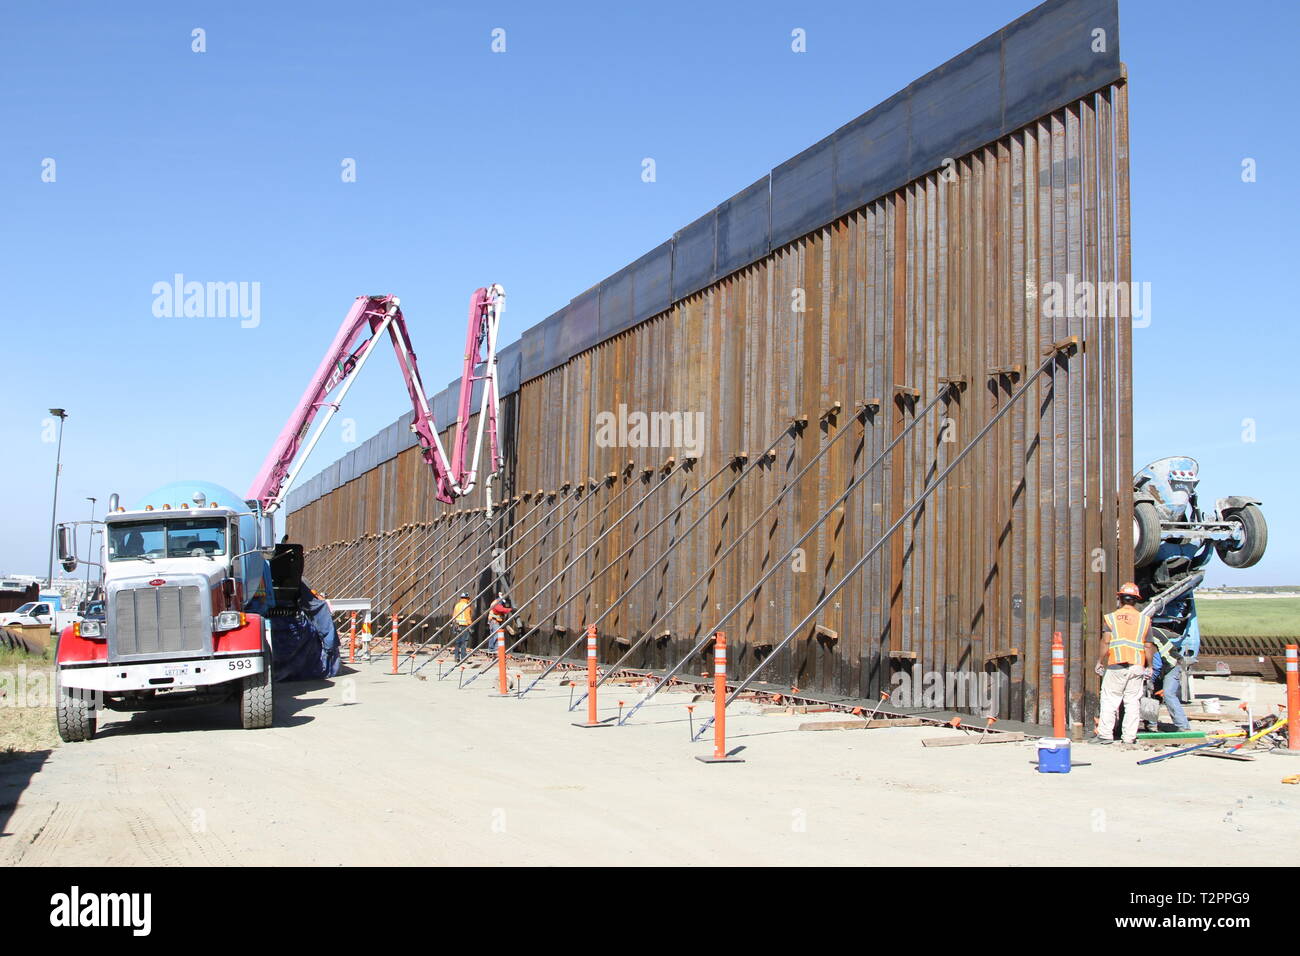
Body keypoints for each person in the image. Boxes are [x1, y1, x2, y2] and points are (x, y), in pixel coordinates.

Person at [1092, 582, 1154, 746]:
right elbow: (1148, 646)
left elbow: (1106, 642)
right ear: (1136, 600)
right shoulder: (1144, 620)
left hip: (1116, 665)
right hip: (1136, 666)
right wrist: (1150, 666)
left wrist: (1099, 661)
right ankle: (1129, 738)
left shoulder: (1111, 618)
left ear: (1120, 598)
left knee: (1110, 700)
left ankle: (1105, 735)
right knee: (1132, 703)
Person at [451, 592, 474, 662]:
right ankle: (464, 658)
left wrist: (453, 624)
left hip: (457, 625)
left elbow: (454, 616)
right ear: (467, 598)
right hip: (464, 626)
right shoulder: (466, 606)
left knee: (457, 642)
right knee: (464, 642)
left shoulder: (457, 605)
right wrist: (470, 625)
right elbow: (467, 616)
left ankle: (456, 657)